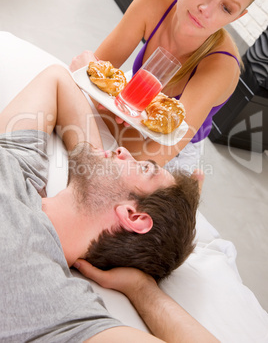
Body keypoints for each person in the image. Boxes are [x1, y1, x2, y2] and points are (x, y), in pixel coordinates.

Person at [0, 64, 218, 342]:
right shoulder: (24, 169)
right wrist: (92, 165)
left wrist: (140, 288)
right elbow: (58, 80)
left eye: (143, 169)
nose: (123, 150)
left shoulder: (44, 290)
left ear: (133, 216)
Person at [70, 0, 267, 171]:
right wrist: (93, 84)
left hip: (172, 153)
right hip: (133, 103)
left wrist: (94, 86)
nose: (207, 8)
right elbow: (91, 79)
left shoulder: (222, 66)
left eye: (226, 8)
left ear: (236, 17)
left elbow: (149, 162)